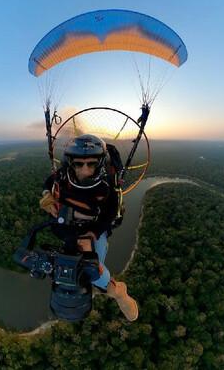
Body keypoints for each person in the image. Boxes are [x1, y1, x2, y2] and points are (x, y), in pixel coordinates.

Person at [39, 134, 139, 321]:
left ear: (99, 163)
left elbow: (109, 215)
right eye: (79, 164)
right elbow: (48, 182)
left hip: (94, 228)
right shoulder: (63, 175)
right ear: (71, 163)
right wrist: (47, 195)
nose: (84, 169)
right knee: (68, 265)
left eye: (91, 164)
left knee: (93, 267)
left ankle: (118, 292)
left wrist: (92, 235)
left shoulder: (107, 183)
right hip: (66, 227)